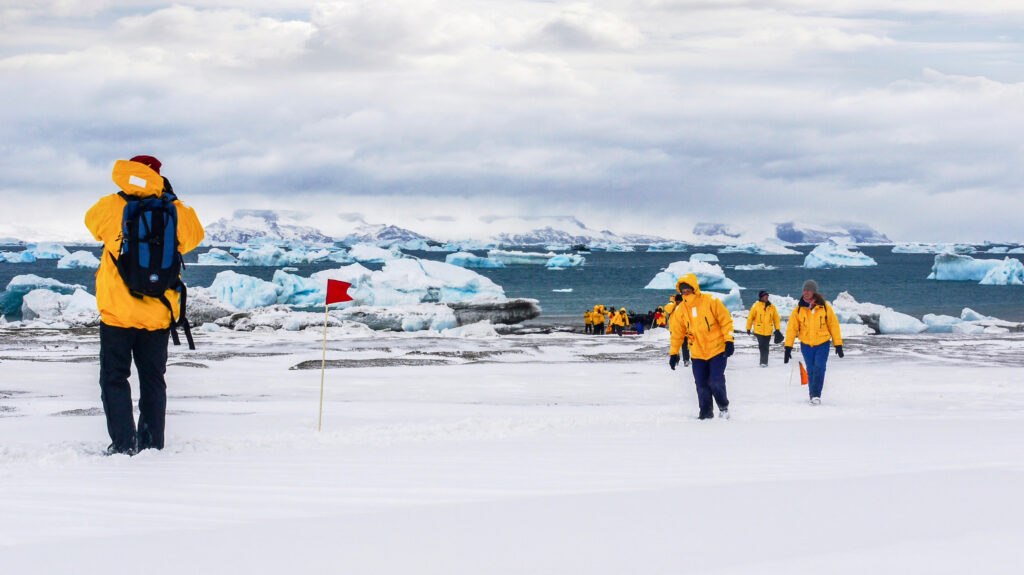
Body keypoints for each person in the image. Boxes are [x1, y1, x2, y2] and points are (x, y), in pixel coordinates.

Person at [85, 156, 204, 454]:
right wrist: (171, 199)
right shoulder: (175, 210)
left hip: (117, 314)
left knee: (114, 377)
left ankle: (124, 445)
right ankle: (152, 444)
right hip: (157, 313)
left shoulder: (110, 205)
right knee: (153, 380)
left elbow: (92, 224)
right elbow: (194, 237)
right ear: (158, 175)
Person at [668, 273, 735, 420]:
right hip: (697, 353)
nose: (686, 293)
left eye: (688, 290)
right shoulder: (681, 310)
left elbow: (726, 321)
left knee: (715, 381)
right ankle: (705, 414)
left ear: (694, 288)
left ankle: (723, 408)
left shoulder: (711, 301)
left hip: (717, 349)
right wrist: (674, 353)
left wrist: (729, 340)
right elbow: (677, 334)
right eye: (683, 291)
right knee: (701, 384)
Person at [784, 280, 844, 405]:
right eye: (804, 290)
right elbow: (792, 328)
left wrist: (838, 344)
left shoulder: (825, 308)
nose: (806, 292)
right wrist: (788, 347)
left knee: (820, 368)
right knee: (811, 370)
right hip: (806, 345)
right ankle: (812, 394)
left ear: (814, 292)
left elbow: (833, 325)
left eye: (809, 290)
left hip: (822, 344)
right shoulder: (799, 309)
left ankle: (816, 395)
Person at [746, 290, 782, 367]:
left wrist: (777, 329)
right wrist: (748, 328)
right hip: (759, 330)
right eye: (765, 296)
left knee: (766, 346)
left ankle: (764, 362)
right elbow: (750, 317)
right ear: (761, 297)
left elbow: (776, 318)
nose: (767, 297)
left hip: (768, 330)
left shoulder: (772, 307)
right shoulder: (756, 306)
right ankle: (763, 362)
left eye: (767, 296)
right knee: (762, 346)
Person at [665, 292, 690, 366]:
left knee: (685, 345)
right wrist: (672, 301)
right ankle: (676, 360)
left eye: (680, 301)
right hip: (673, 330)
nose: (679, 302)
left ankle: (686, 360)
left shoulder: (684, 307)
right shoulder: (672, 307)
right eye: (678, 301)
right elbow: (668, 310)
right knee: (675, 346)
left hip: (684, 330)